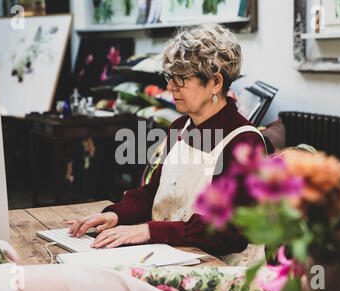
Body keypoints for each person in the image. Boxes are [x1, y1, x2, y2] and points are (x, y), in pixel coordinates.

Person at [68, 23, 266, 260]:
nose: (170, 86)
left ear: (215, 82)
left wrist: (149, 231)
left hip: (222, 272)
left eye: (181, 78)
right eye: (170, 76)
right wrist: (116, 215)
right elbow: (153, 193)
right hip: (172, 254)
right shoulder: (180, 127)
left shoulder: (244, 141)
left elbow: (229, 232)